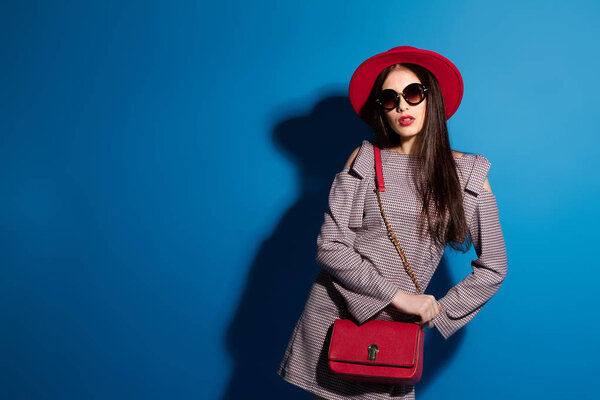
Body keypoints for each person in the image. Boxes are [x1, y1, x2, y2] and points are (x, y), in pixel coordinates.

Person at [277, 46, 508, 400]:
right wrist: (402, 298)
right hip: (334, 316)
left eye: (413, 93)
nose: (402, 106)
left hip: (392, 334)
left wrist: (439, 311)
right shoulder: (365, 158)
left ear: (432, 99)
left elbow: (494, 267)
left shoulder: (468, 174)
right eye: (389, 98)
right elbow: (330, 246)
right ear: (380, 110)